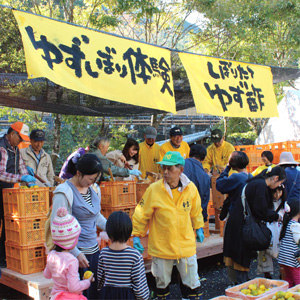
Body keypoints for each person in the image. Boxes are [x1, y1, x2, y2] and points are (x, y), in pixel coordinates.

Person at [132, 151, 204, 300]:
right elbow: (141, 213)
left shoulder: (191, 189)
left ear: (181, 170)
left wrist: (199, 227)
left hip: (185, 245)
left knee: (191, 280)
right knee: (161, 282)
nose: (165, 172)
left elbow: (196, 211)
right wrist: (137, 235)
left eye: (170, 169)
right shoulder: (154, 189)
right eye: (163, 168)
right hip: (162, 245)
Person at [51, 153, 107, 299]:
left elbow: (96, 216)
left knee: (95, 293)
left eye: (95, 179)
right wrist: (76, 253)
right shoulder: (64, 193)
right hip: (74, 256)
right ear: (78, 173)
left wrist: (113, 228)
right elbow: (57, 230)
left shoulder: (94, 189)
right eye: (90, 179)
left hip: (93, 251)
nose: (92, 182)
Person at [223, 166, 286, 284]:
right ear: (276, 178)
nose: (279, 186)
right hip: (242, 225)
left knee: (237, 258)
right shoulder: (261, 186)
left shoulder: (256, 183)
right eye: (280, 183)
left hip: (237, 222)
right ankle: (242, 288)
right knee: (240, 258)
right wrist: (276, 216)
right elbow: (260, 210)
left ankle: (240, 285)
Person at [0, 121, 36, 267]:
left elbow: (21, 167)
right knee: (4, 223)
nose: (21, 141)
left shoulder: (15, 148)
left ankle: (3, 257)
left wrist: (30, 182)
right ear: (12, 133)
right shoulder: (2, 148)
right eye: (19, 138)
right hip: (1, 188)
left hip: (8, 192)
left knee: (8, 222)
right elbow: (0, 173)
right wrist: (21, 178)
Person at [97, 211, 149, 300]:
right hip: (127, 295)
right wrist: (144, 297)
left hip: (108, 295)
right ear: (129, 232)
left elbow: (100, 280)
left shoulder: (104, 253)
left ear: (109, 232)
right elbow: (139, 286)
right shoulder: (135, 256)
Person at [44, 207, 93, 300]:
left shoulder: (51, 255)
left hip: (57, 297)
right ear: (72, 241)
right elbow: (73, 288)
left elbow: (47, 275)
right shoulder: (72, 260)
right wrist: (87, 281)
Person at [257, 184, 287, 279]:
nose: (277, 194)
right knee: (266, 253)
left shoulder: (284, 203)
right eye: (275, 192)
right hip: (268, 231)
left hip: (279, 230)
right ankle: (267, 275)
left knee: (282, 253)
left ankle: (283, 275)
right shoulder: (265, 203)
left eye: (279, 191)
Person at [216, 151, 252, 220]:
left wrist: (227, 169)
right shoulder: (250, 176)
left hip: (236, 214)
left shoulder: (236, 177)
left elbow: (219, 185)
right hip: (247, 214)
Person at [183, 144, 210, 223]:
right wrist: (203, 217)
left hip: (175, 212)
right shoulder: (205, 177)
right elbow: (204, 200)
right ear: (204, 158)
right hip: (193, 215)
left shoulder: (179, 165)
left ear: (189, 154)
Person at [278, 199, 300, 287]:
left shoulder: (287, 223)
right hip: (293, 259)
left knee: (289, 280)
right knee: (298, 280)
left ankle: (287, 294)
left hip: (284, 258)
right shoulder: (296, 225)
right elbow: (298, 240)